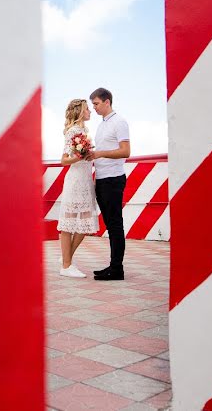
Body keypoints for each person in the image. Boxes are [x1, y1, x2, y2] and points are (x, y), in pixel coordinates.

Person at [85, 88, 130, 281]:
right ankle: (113, 265)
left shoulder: (119, 122)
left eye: (95, 103)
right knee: (110, 225)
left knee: (115, 225)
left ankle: (117, 269)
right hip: (102, 179)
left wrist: (100, 153)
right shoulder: (102, 124)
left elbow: (126, 151)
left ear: (107, 102)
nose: (93, 107)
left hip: (113, 178)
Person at [56, 99, 100, 278]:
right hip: (75, 181)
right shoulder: (73, 131)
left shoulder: (84, 131)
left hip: (85, 180)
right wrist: (80, 156)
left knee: (84, 223)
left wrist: (87, 156)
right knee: (68, 223)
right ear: (80, 111)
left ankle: (66, 258)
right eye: (87, 109)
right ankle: (66, 266)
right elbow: (64, 160)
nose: (90, 111)